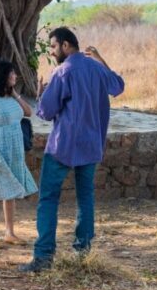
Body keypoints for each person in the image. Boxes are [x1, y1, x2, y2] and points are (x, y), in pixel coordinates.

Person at [19, 27, 125, 273]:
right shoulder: (97, 69)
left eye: (54, 47)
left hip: (62, 147)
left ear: (66, 46)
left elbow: (45, 112)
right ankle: (82, 252)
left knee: (48, 198)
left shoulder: (62, 72)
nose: (53, 52)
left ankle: (44, 256)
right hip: (91, 146)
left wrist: (39, 94)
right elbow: (118, 86)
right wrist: (101, 59)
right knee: (85, 197)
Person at [0, 58, 38, 249]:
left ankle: (9, 232)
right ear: (2, 76)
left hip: (15, 149)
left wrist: (16, 95)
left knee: (10, 190)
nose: (15, 75)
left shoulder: (12, 97)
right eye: (11, 73)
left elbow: (29, 112)